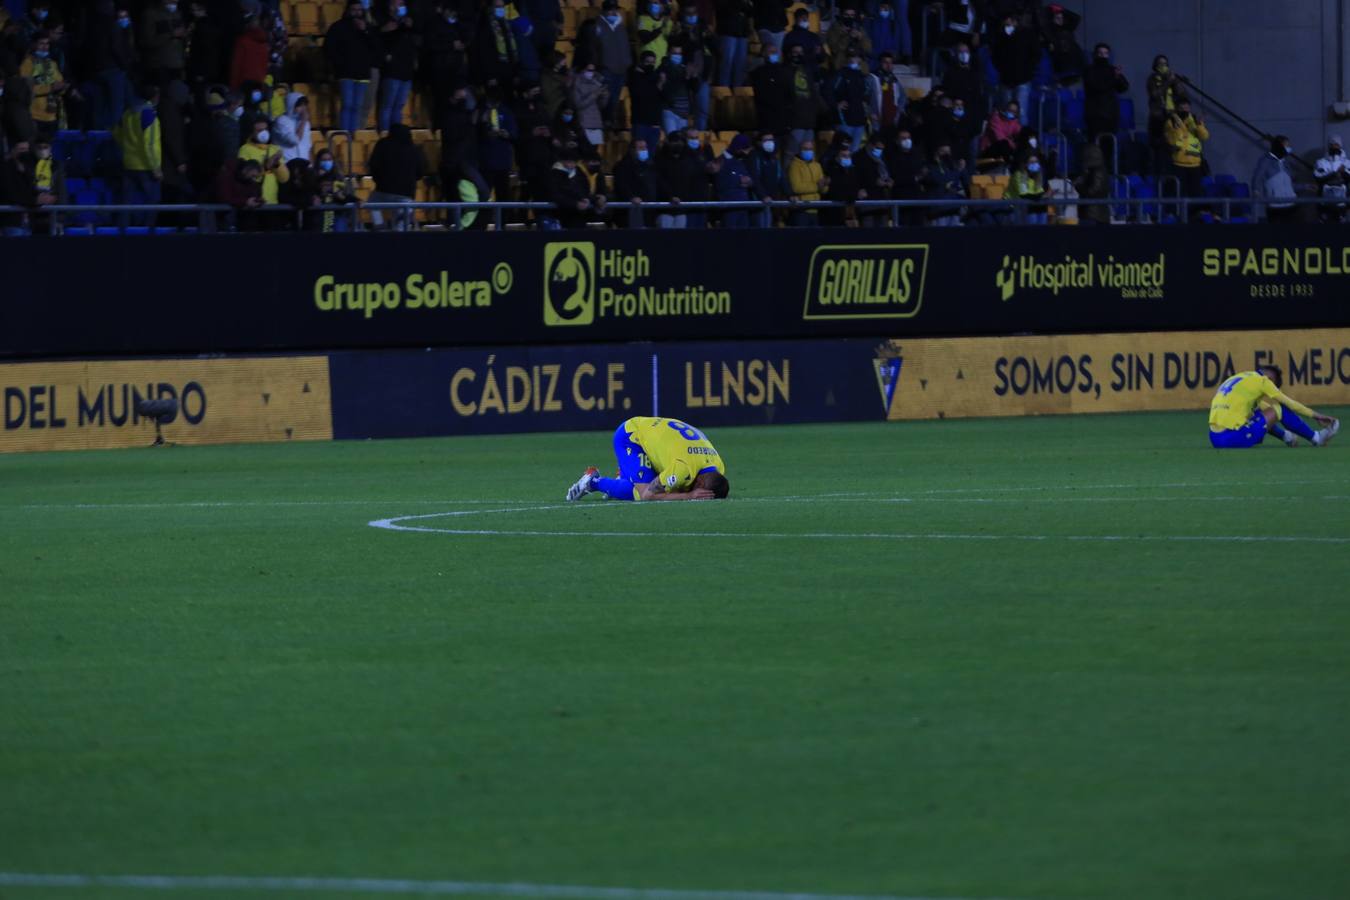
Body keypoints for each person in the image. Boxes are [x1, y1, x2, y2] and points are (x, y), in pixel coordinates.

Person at [565, 417, 730, 501]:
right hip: (631, 435)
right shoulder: (683, 468)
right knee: (638, 493)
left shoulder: (718, 466)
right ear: (700, 483)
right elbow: (647, 496)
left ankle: (625, 475)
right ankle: (592, 481)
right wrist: (689, 496)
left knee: (669, 489)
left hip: (656, 434)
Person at [1209, 366, 1338, 449]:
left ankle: (1287, 437)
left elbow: (1264, 409)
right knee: (1280, 408)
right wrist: (1315, 415)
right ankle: (1316, 438)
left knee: (1261, 411)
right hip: (1233, 438)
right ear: (1271, 379)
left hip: (1215, 438)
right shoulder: (1263, 381)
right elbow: (1289, 403)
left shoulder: (1239, 377)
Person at [326, 1, 379, 132]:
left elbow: (376, 47)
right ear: (348, 10)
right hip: (345, 73)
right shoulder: (338, 27)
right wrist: (339, 64)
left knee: (357, 106)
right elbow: (329, 49)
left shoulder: (368, 28)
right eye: (354, 10)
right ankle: (344, 134)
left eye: (359, 10)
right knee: (347, 105)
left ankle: (353, 135)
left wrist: (365, 30)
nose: (356, 13)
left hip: (363, 74)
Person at [113, 85, 163, 226]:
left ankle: (123, 234)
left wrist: (128, 148)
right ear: (154, 96)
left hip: (129, 164)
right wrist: (155, 168)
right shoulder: (149, 115)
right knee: (152, 202)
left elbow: (116, 133)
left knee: (126, 203)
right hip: (146, 167)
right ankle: (147, 234)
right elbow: (150, 145)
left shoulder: (128, 113)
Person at [367, 121, 423, 229]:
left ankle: (379, 226)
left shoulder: (382, 144)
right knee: (401, 224)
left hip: (383, 190)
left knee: (372, 202)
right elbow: (420, 172)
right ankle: (399, 235)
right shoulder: (414, 148)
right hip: (406, 194)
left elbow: (373, 165)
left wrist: (379, 181)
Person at [19, 33, 70, 142]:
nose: (45, 47)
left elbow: (60, 84)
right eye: (41, 43)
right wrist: (50, 88)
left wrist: (63, 87)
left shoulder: (52, 64)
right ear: (33, 45)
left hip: (52, 115)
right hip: (34, 115)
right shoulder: (27, 64)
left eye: (47, 44)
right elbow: (26, 89)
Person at [377, 1, 417, 133]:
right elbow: (377, 40)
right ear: (391, 6)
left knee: (399, 106)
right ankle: (384, 133)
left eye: (402, 4)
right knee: (387, 105)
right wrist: (384, 30)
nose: (400, 7)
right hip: (392, 71)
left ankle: (395, 134)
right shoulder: (384, 21)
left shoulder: (407, 24)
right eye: (397, 3)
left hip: (406, 71)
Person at [990, 14, 1038, 124]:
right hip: (1006, 81)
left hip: (1023, 81)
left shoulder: (1027, 35)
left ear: (1016, 22)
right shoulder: (1000, 38)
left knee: (1021, 112)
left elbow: (1036, 55)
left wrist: (1027, 70)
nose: (1008, 26)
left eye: (1010, 23)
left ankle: (1021, 138)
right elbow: (995, 57)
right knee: (1006, 113)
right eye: (1006, 24)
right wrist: (1002, 70)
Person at [1163, 97, 1207, 209]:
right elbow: (1172, 141)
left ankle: (1196, 216)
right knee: (1178, 193)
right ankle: (1177, 215)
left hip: (1195, 164)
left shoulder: (1194, 120)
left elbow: (1204, 136)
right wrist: (1177, 129)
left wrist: (1200, 125)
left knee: (1196, 194)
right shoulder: (1171, 121)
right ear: (1177, 109)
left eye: (1187, 107)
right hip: (1179, 164)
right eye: (1182, 108)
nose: (1185, 110)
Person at [592, 0, 631, 126]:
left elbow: (625, 46)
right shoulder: (597, 25)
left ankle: (610, 121)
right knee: (606, 98)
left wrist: (627, 63)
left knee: (615, 98)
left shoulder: (621, 25)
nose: (612, 12)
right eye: (610, 9)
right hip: (606, 68)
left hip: (621, 69)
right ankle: (605, 121)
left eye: (614, 9)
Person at [1083, 42, 1127, 141]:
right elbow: (1098, 86)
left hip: (1111, 114)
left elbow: (1123, 88)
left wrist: (1118, 77)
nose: (1103, 56)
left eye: (1105, 53)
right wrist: (1113, 78)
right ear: (1095, 54)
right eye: (1100, 53)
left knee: (1109, 145)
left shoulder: (1112, 70)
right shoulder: (1089, 70)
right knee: (1095, 144)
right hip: (1094, 114)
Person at [140, 0, 186, 87]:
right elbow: (147, 41)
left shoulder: (177, 13)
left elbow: (181, 35)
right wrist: (171, 35)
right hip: (160, 66)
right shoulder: (150, 14)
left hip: (177, 63)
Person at [1252, 135, 1297, 224]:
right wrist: (1255, 191)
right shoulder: (1265, 161)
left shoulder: (1286, 162)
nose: (1289, 148)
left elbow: (1289, 185)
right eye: (1286, 146)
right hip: (1275, 206)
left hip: (1291, 204)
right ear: (1279, 146)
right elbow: (1257, 178)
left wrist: (1305, 186)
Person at [614, 137, 660, 225]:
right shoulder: (623, 166)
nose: (644, 150)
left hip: (649, 209)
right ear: (633, 150)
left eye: (645, 148)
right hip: (631, 209)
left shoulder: (650, 165)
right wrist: (631, 197)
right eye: (641, 148)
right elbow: (621, 184)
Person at [830, 49, 870, 150]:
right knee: (842, 150)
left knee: (855, 152)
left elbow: (866, 94)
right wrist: (835, 104)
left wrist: (865, 108)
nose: (854, 60)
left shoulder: (862, 75)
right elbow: (828, 91)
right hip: (845, 120)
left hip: (859, 120)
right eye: (851, 57)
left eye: (856, 57)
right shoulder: (841, 74)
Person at [749, 43, 791, 137]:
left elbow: (789, 91)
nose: (774, 54)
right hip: (766, 117)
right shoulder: (758, 72)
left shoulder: (784, 71)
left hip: (783, 117)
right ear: (764, 54)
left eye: (775, 52)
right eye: (771, 52)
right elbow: (760, 95)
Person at [629, 50, 663, 150]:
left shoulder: (655, 76)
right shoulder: (635, 76)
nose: (651, 65)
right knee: (639, 154)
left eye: (653, 62)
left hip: (654, 122)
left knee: (651, 155)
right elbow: (643, 94)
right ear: (641, 62)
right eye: (648, 62)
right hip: (640, 122)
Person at [715, 0, 754, 87]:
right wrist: (741, 5)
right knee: (726, 63)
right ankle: (724, 92)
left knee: (740, 65)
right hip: (727, 31)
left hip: (742, 32)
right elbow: (722, 7)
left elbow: (750, 10)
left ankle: (738, 91)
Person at [787, 138, 825, 225]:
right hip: (801, 210)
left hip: (815, 209)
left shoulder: (817, 165)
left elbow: (823, 188)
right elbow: (796, 188)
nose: (808, 151)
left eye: (810, 149)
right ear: (800, 150)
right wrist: (817, 186)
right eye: (805, 149)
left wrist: (824, 185)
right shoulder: (794, 166)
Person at [569, 63, 609, 147]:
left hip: (596, 123)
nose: (591, 72)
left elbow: (601, 106)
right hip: (583, 123)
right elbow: (578, 104)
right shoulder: (576, 83)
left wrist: (605, 96)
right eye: (589, 70)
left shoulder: (597, 83)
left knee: (594, 154)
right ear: (583, 70)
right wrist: (594, 95)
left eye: (593, 70)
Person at [1004, 149, 1047, 224]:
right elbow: (1023, 195)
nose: (1035, 164)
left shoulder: (1037, 178)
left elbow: (1040, 194)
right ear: (1025, 164)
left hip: (1030, 205)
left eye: (1036, 162)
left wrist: (1046, 195)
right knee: (1031, 208)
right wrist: (1043, 196)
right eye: (1031, 162)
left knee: (1042, 207)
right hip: (1013, 207)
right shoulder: (1018, 175)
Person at [1314, 134, 1349, 223]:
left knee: (1342, 226)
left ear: (1340, 146)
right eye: (1332, 144)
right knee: (1324, 226)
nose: (1334, 146)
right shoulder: (1321, 162)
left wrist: (1344, 172)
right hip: (1325, 199)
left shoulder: (1347, 162)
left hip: (1342, 199)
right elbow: (1318, 177)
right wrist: (1335, 173)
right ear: (1329, 146)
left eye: (1336, 144)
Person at [1074, 142, 1110, 225]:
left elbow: (1093, 191)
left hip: (1094, 215)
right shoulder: (1092, 171)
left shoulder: (1097, 172)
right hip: (1092, 214)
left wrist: (1078, 185)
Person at [272, 92, 312, 163]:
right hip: (287, 163)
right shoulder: (281, 121)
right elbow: (294, 141)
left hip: (304, 164)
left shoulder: (306, 123)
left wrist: (310, 164)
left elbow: (308, 146)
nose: (303, 108)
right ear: (291, 105)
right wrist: (303, 121)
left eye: (304, 105)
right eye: (300, 105)